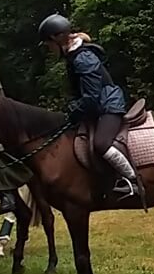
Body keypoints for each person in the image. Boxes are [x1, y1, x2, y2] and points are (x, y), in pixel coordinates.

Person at [39, 14, 140, 200]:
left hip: (108, 105)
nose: (50, 50)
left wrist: (73, 111)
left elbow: (92, 97)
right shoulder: (73, 57)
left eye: (49, 45)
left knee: (101, 143)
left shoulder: (82, 59)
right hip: (98, 106)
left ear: (57, 39)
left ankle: (132, 180)